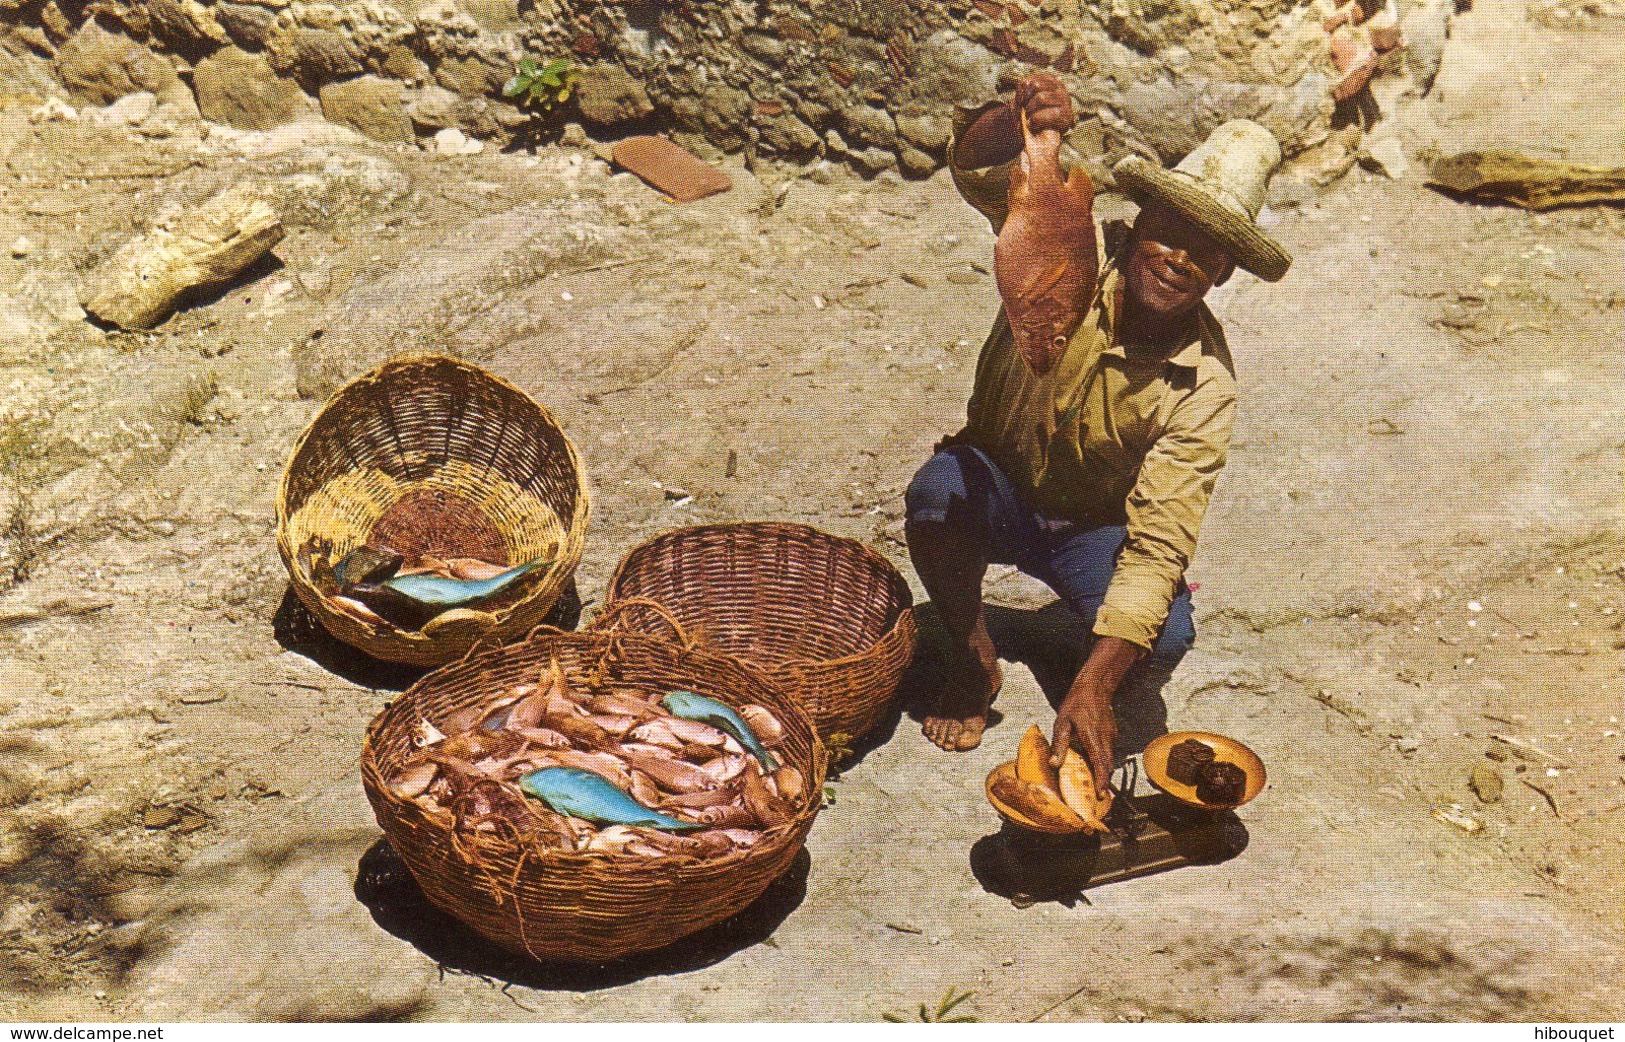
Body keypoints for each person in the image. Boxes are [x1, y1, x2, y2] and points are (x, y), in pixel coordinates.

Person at [904, 73, 1293, 801]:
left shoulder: (1205, 387)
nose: (1178, 257)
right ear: (1136, 222)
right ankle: (973, 654)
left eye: (1204, 251)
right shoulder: (1067, 246)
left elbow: (1159, 545)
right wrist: (1015, 120)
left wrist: (1090, 689)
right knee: (936, 495)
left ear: (1223, 272)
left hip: (1090, 530)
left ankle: (1071, 653)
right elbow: (983, 175)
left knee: (1165, 635)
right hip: (995, 485)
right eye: (1169, 231)